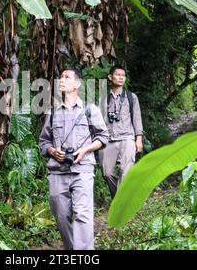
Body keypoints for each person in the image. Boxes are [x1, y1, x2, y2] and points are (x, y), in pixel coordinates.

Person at [39, 68, 109, 250]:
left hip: (82, 170)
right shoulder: (52, 112)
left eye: (67, 77)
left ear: (77, 84)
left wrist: (85, 150)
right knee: (62, 217)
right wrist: (53, 151)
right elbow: (43, 142)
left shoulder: (90, 109)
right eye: (60, 77)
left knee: (83, 215)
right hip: (57, 172)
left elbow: (103, 137)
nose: (62, 80)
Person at [99, 65, 144, 198]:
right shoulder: (103, 99)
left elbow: (136, 118)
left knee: (126, 172)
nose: (120, 77)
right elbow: (99, 122)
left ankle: (120, 206)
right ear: (110, 77)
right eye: (117, 74)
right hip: (109, 140)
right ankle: (118, 199)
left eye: (123, 75)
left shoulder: (131, 97)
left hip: (127, 138)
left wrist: (139, 139)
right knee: (107, 173)